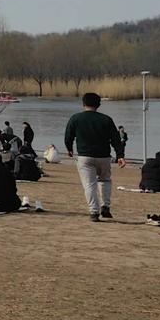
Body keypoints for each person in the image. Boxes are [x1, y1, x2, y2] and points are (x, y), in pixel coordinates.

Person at [64, 92, 125, 223]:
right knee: (105, 180)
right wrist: (120, 155)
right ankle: (105, 206)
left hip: (84, 156)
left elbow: (68, 136)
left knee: (89, 185)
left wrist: (69, 149)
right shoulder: (106, 119)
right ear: (99, 105)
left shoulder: (75, 118)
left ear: (83, 103)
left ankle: (94, 212)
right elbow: (115, 139)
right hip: (104, 156)